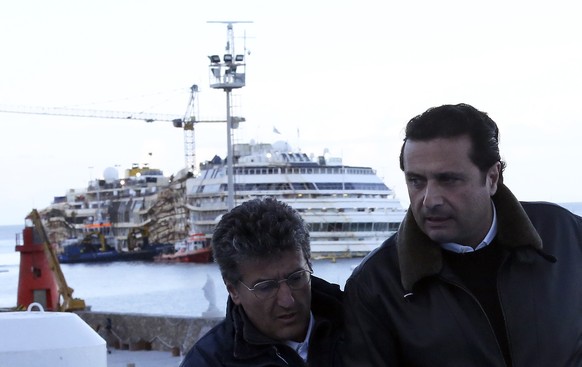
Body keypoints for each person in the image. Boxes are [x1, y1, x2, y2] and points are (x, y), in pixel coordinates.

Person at [342, 103, 582, 366]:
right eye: (416, 181)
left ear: (492, 178)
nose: (429, 199)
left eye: (448, 179)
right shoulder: (375, 285)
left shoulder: (568, 236)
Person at [180, 197, 344, 367]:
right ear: (233, 290)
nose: (287, 301)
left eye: (296, 278)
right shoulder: (208, 362)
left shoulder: (360, 323)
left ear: (309, 264)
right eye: (266, 287)